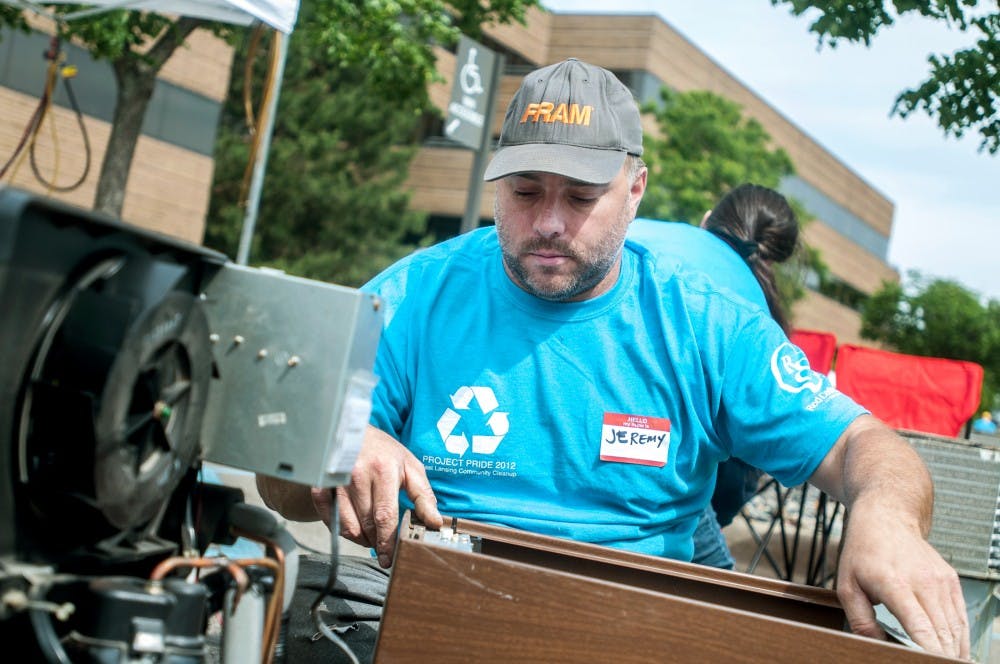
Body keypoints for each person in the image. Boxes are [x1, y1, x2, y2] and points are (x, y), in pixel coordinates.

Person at [258, 57, 968, 660]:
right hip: (439, 603)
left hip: (637, 619)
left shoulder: (701, 323)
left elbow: (866, 445)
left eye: (581, 196)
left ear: (635, 191)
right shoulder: (415, 294)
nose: (548, 222)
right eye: (526, 191)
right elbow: (277, 483)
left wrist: (888, 519)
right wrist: (335, 443)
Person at [627, 183, 800, 569]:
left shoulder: (640, 232)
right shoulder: (751, 308)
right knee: (719, 594)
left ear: (707, 220)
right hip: (659, 466)